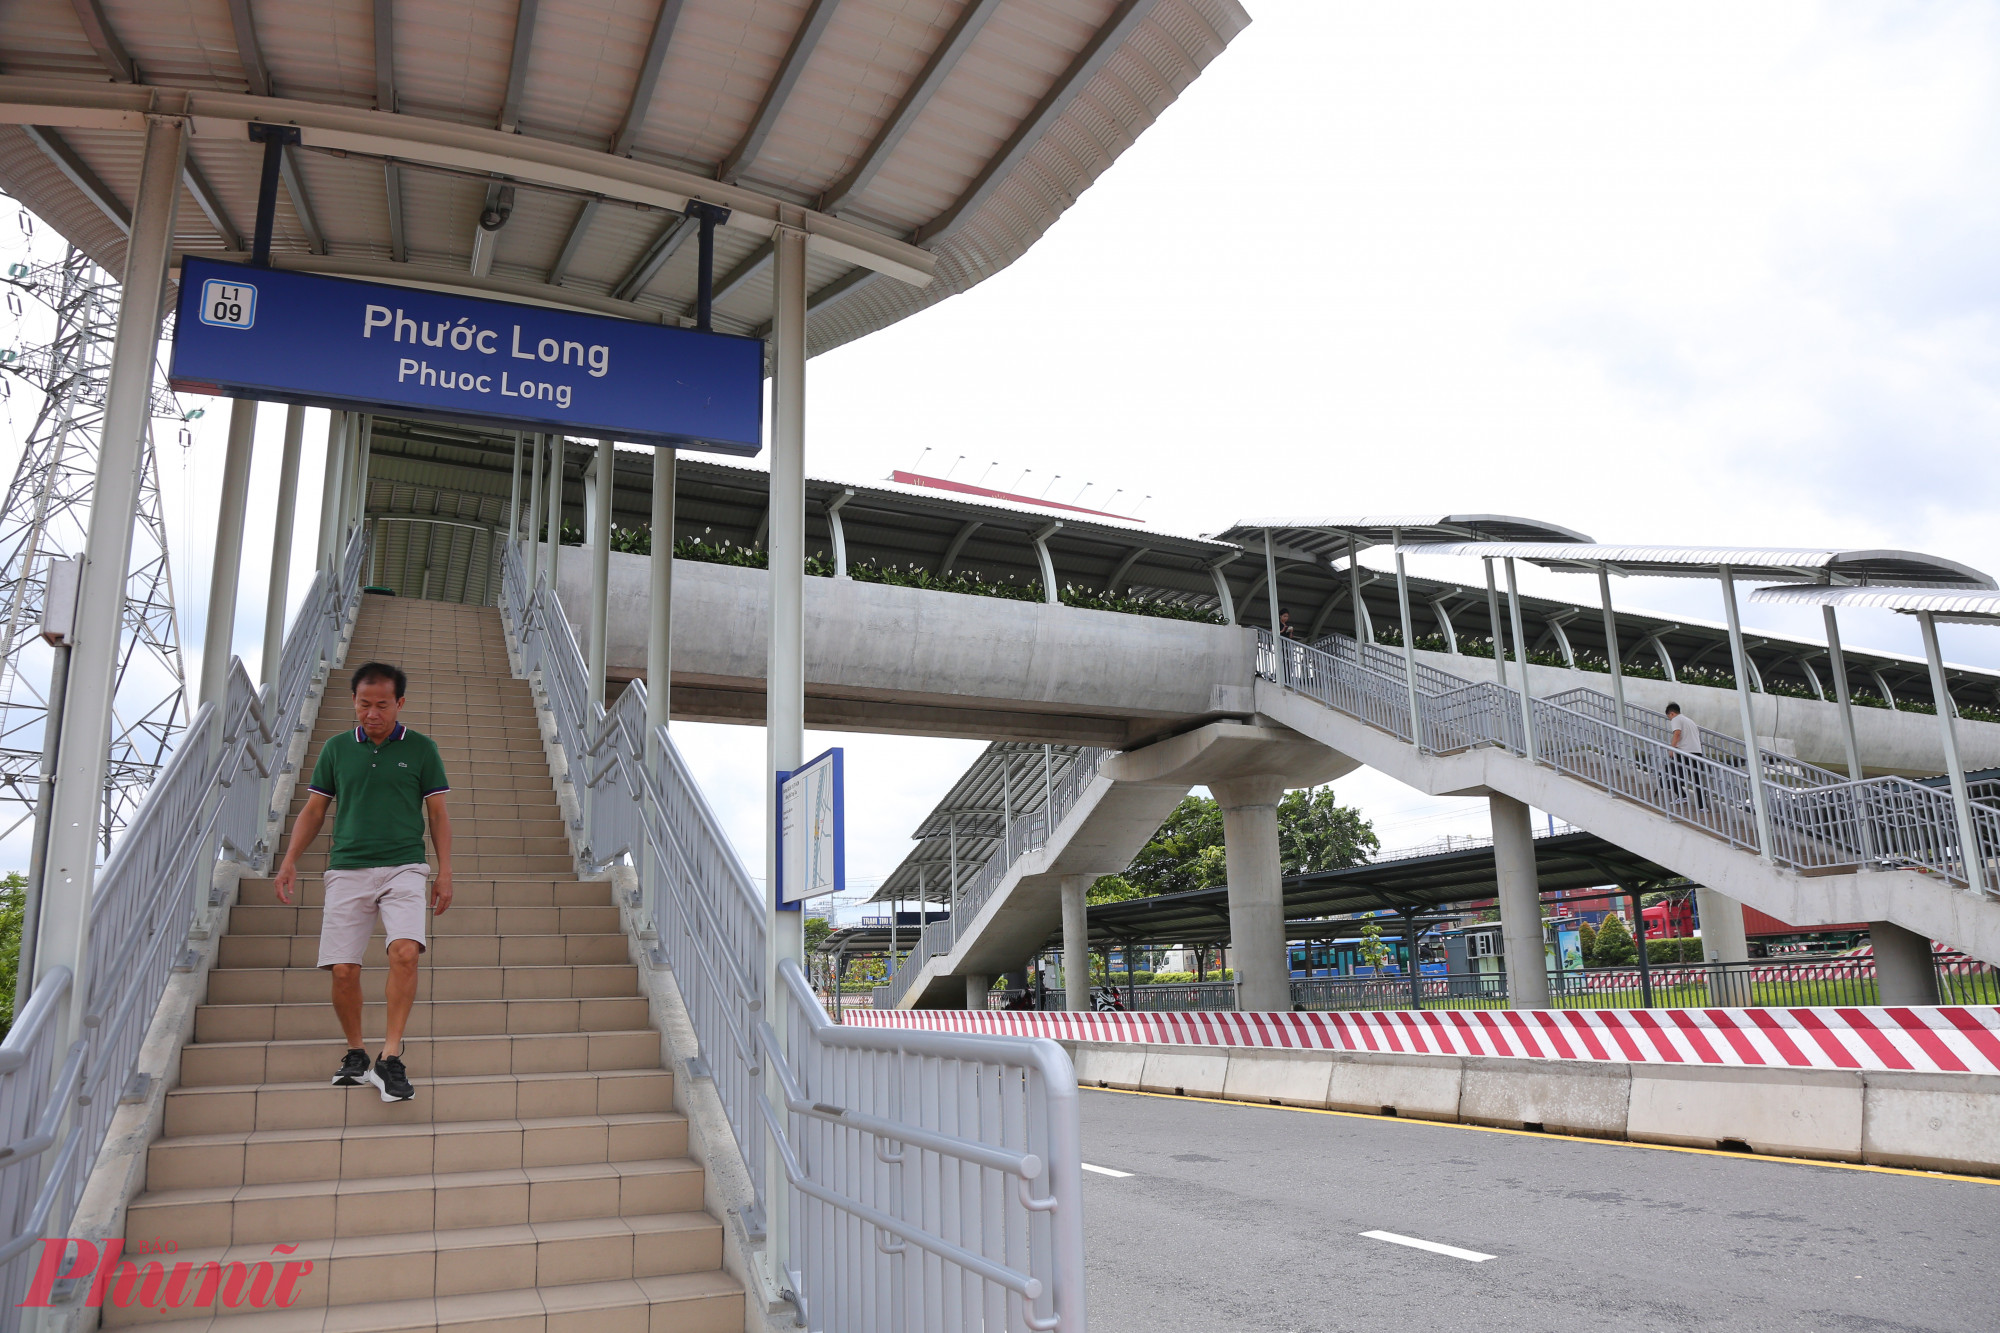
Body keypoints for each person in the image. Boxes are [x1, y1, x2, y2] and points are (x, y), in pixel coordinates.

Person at [274, 662, 453, 1103]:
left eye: (382, 705)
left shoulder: (423, 749)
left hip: (404, 867)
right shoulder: (336, 749)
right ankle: (356, 1052)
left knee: (406, 952)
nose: (372, 714)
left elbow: (437, 814)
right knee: (342, 970)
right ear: (354, 702)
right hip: (347, 867)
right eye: (364, 704)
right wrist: (290, 859)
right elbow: (315, 810)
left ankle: (390, 1058)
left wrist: (445, 871)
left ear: (399, 704)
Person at [1664, 702, 1706, 810]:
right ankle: (1702, 806)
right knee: (1697, 780)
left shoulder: (1676, 719)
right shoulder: (1690, 721)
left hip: (1684, 752)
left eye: (1669, 717)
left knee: (1672, 774)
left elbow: (1677, 733)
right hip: (1696, 752)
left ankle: (1682, 796)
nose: (1670, 719)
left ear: (1672, 714)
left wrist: (1671, 749)